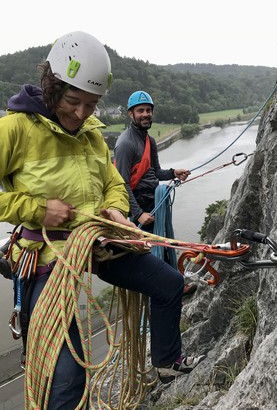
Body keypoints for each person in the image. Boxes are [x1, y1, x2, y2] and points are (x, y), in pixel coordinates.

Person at [0, 31, 204, 409]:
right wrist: (38, 210)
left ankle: (166, 363)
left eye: (90, 105)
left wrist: (114, 210)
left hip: (98, 240)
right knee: (67, 376)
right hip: (48, 255)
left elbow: (113, 182)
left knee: (169, 283)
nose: (80, 114)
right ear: (52, 86)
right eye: (73, 101)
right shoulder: (16, 129)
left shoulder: (93, 135)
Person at [114, 90, 190, 232]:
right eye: (140, 110)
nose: (145, 114)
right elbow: (122, 183)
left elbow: (156, 172)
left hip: (154, 202)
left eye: (148, 110)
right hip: (141, 209)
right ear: (131, 114)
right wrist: (138, 214)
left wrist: (174, 173)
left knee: (164, 248)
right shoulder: (126, 144)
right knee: (150, 250)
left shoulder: (150, 140)